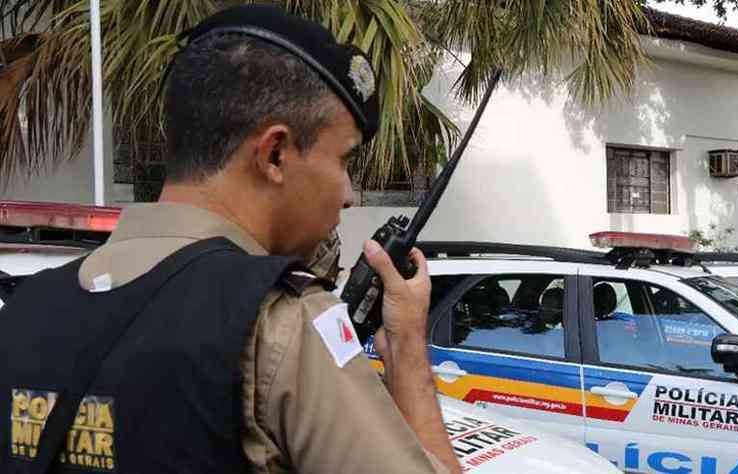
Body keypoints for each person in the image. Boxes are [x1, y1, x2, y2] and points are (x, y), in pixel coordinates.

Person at [0, 5, 460, 474]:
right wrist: (407, 351)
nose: (347, 195)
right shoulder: (279, 325)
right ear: (275, 154)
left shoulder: (24, 311)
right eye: (344, 161)